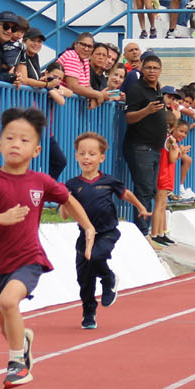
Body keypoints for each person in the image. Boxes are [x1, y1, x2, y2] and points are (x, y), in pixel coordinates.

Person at [0, 107, 95, 389]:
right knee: (5, 324)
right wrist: (1, 218)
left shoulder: (41, 181)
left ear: (36, 150)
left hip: (28, 258)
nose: (16, 144)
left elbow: (67, 198)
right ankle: (22, 341)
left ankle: (17, 365)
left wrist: (87, 227)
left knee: (9, 302)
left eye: (24, 140)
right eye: (10, 138)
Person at [66, 131, 150, 329]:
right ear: (76, 156)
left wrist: (140, 207)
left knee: (95, 257)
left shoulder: (108, 181)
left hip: (107, 232)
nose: (87, 158)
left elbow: (126, 194)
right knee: (84, 279)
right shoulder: (72, 185)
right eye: (82, 153)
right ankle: (89, 313)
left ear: (101, 158)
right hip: (84, 236)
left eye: (92, 154)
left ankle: (108, 278)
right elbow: (64, 214)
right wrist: (64, 202)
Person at [121, 52, 166, 238]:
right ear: (141, 68)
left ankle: (144, 232)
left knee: (151, 190)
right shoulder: (136, 89)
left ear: (160, 70)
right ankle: (141, 233)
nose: (152, 71)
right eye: (148, 67)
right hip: (140, 147)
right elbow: (129, 117)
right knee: (144, 191)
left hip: (155, 149)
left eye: (155, 68)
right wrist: (146, 111)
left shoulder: (158, 90)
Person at [152, 116, 190, 246]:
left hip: (167, 176)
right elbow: (173, 159)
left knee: (163, 205)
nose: (183, 134)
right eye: (181, 131)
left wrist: (179, 150)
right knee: (159, 205)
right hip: (163, 175)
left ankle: (162, 233)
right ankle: (155, 234)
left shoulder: (173, 142)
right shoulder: (170, 140)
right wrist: (180, 151)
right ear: (173, 128)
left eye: (185, 132)